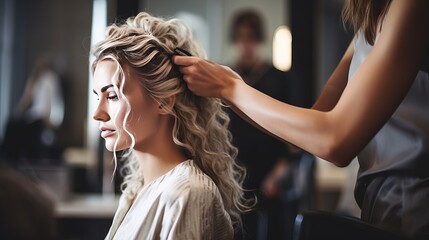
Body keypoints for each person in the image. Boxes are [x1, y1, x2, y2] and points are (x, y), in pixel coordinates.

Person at [173, 0, 429, 239]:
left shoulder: (410, 7)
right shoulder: (367, 27)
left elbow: (334, 141)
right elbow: (306, 132)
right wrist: (231, 90)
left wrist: (230, 88)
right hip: (378, 203)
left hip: (414, 204)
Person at [91, 12, 250, 239]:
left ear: (164, 101)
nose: (97, 114)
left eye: (113, 96)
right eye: (98, 97)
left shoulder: (187, 194)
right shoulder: (136, 191)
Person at [226, 9, 297, 240]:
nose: (246, 45)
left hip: (270, 175)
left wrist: (279, 172)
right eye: (241, 38)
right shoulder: (227, 78)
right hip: (234, 175)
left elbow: (291, 131)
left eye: (251, 38)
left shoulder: (277, 78)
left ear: (259, 40)